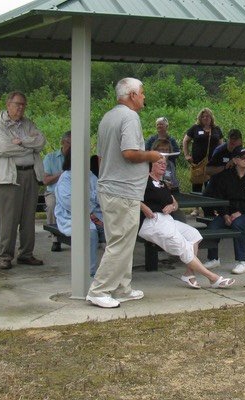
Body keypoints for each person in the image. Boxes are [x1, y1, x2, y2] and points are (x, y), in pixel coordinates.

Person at [86, 78, 163, 308]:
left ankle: (122, 287)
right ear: (132, 95)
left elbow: (100, 158)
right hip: (123, 190)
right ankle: (99, 290)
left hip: (110, 186)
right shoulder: (130, 117)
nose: (144, 97)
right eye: (142, 92)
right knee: (120, 242)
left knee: (122, 241)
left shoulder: (108, 117)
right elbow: (129, 153)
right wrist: (152, 155)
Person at [139, 157, 235, 289]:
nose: (163, 166)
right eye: (159, 163)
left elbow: (175, 203)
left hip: (167, 219)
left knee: (194, 234)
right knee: (182, 246)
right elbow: (132, 197)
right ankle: (213, 278)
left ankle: (189, 273)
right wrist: (145, 208)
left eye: (164, 164)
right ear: (150, 165)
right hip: (151, 221)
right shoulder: (143, 181)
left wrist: (171, 207)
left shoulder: (163, 184)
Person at [0, 92, 46, 270]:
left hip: (31, 174)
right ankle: (6, 256)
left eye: (23, 104)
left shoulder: (28, 123)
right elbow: (4, 148)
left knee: (29, 217)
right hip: (9, 177)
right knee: (9, 219)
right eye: (17, 104)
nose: (20, 107)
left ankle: (26, 254)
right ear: (8, 104)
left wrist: (21, 142)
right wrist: (28, 147)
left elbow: (41, 142)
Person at [202, 146, 245, 274]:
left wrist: (240, 212)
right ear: (235, 160)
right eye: (243, 157)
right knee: (213, 226)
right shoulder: (225, 177)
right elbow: (219, 198)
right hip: (228, 213)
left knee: (238, 224)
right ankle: (213, 258)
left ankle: (242, 261)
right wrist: (224, 215)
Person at [54, 151, 104, 276]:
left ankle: (113, 273)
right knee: (89, 233)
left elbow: (101, 195)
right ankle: (89, 273)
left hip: (96, 215)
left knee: (116, 230)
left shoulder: (91, 175)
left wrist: (88, 202)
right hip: (71, 216)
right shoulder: (65, 178)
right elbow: (70, 203)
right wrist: (90, 205)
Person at [42, 131, 71, 251]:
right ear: (62, 142)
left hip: (71, 192)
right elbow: (46, 180)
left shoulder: (78, 157)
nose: (71, 146)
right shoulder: (50, 158)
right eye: (69, 143)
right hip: (53, 191)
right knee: (52, 204)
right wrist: (62, 175)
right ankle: (55, 238)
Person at [182, 108, 223, 193]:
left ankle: (209, 205)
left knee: (211, 186)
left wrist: (220, 159)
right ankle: (196, 205)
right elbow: (186, 141)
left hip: (212, 162)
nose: (205, 118)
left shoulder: (216, 129)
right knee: (197, 184)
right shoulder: (195, 128)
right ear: (200, 118)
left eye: (207, 116)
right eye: (203, 116)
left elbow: (221, 145)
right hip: (198, 162)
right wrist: (186, 155)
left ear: (211, 117)